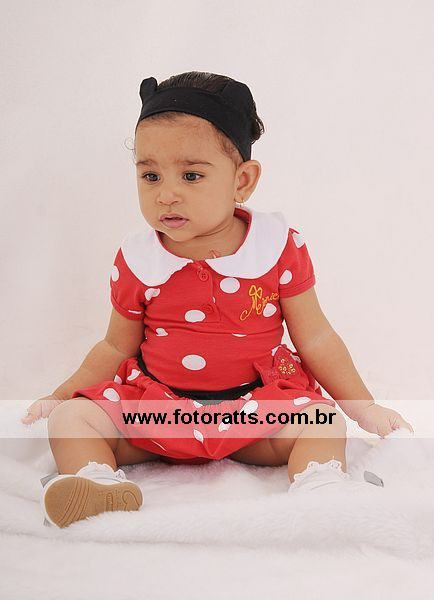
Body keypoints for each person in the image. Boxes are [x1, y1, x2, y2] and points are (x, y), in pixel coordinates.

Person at [22, 71, 413, 528]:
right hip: (158, 416)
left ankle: (322, 487)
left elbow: (317, 339)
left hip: (254, 417)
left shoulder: (276, 247)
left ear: (242, 180)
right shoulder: (139, 258)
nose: (166, 194)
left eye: (191, 175)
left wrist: (363, 408)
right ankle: (96, 483)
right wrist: (60, 395)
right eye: (150, 175)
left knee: (323, 421)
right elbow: (114, 346)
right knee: (72, 419)